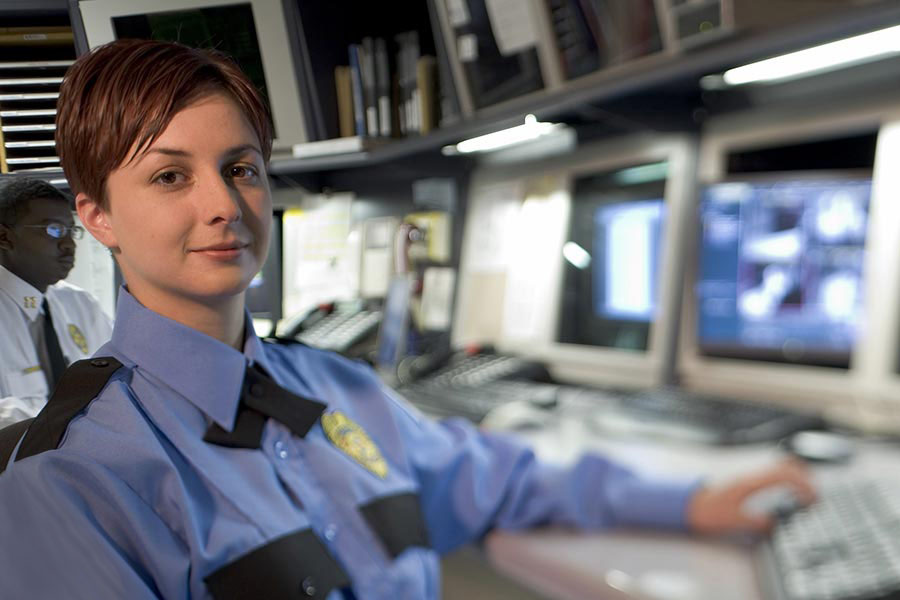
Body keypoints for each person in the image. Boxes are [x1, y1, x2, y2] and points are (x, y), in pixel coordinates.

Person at [0, 39, 814, 600]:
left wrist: (687, 501)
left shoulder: (340, 389)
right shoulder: (71, 481)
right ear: (98, 216)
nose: (223, 206)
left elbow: (501, 478)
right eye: (170, 177)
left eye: (239, 168)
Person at [0, 177, 112, 428]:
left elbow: (121, 379)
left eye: (71, 231)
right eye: (53, 230)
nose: (68, 245)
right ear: (4, 238)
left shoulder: (81, 305)